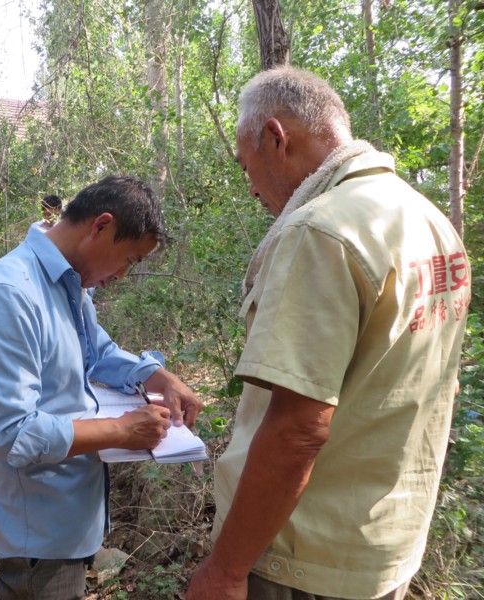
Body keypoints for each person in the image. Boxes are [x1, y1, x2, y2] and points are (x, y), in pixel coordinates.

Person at [187, 67, 471, 600]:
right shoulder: (429, 221)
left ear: (276, 137)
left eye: (248, 167)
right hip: (383, 549)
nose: (250, 188)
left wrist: (224, 570)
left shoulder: (318, 230)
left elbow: (298, 428)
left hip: (303, 559)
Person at [0, 175, 203, 600]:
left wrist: (155, 376)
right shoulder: (9, 293)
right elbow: (12, 433)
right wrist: (121, 430)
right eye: (128, 259)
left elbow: (95, 352)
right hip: (39, 530)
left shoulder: (71, 284)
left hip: (69, 516)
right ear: (101, 226)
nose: (124, 274)